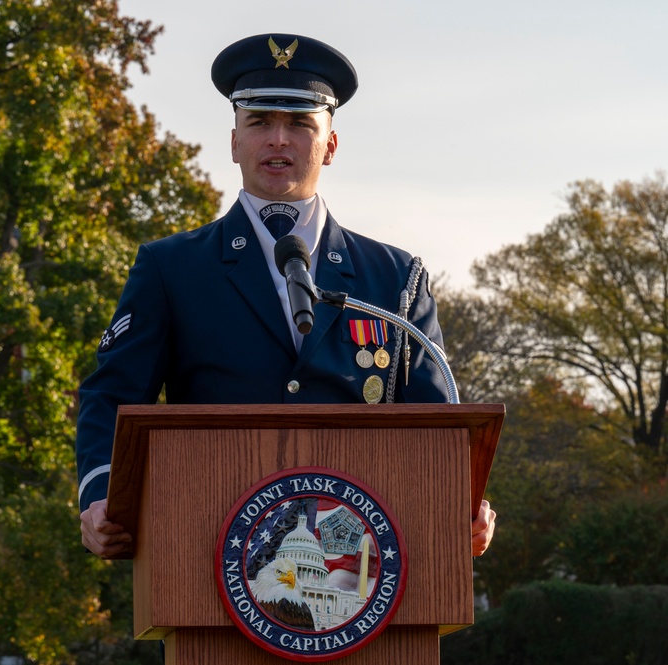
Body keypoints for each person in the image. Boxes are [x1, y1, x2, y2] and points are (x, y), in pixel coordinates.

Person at [76, 33, 496, 559]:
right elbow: (111, 395)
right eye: (260, 122)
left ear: (330, 145)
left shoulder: (394, 277)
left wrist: (463, 501)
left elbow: (436, 424)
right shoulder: (173, 268)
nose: (279, 139)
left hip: (363, 567)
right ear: (234, 142)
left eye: (300, 123)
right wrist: (100, 497)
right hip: (206, 553)